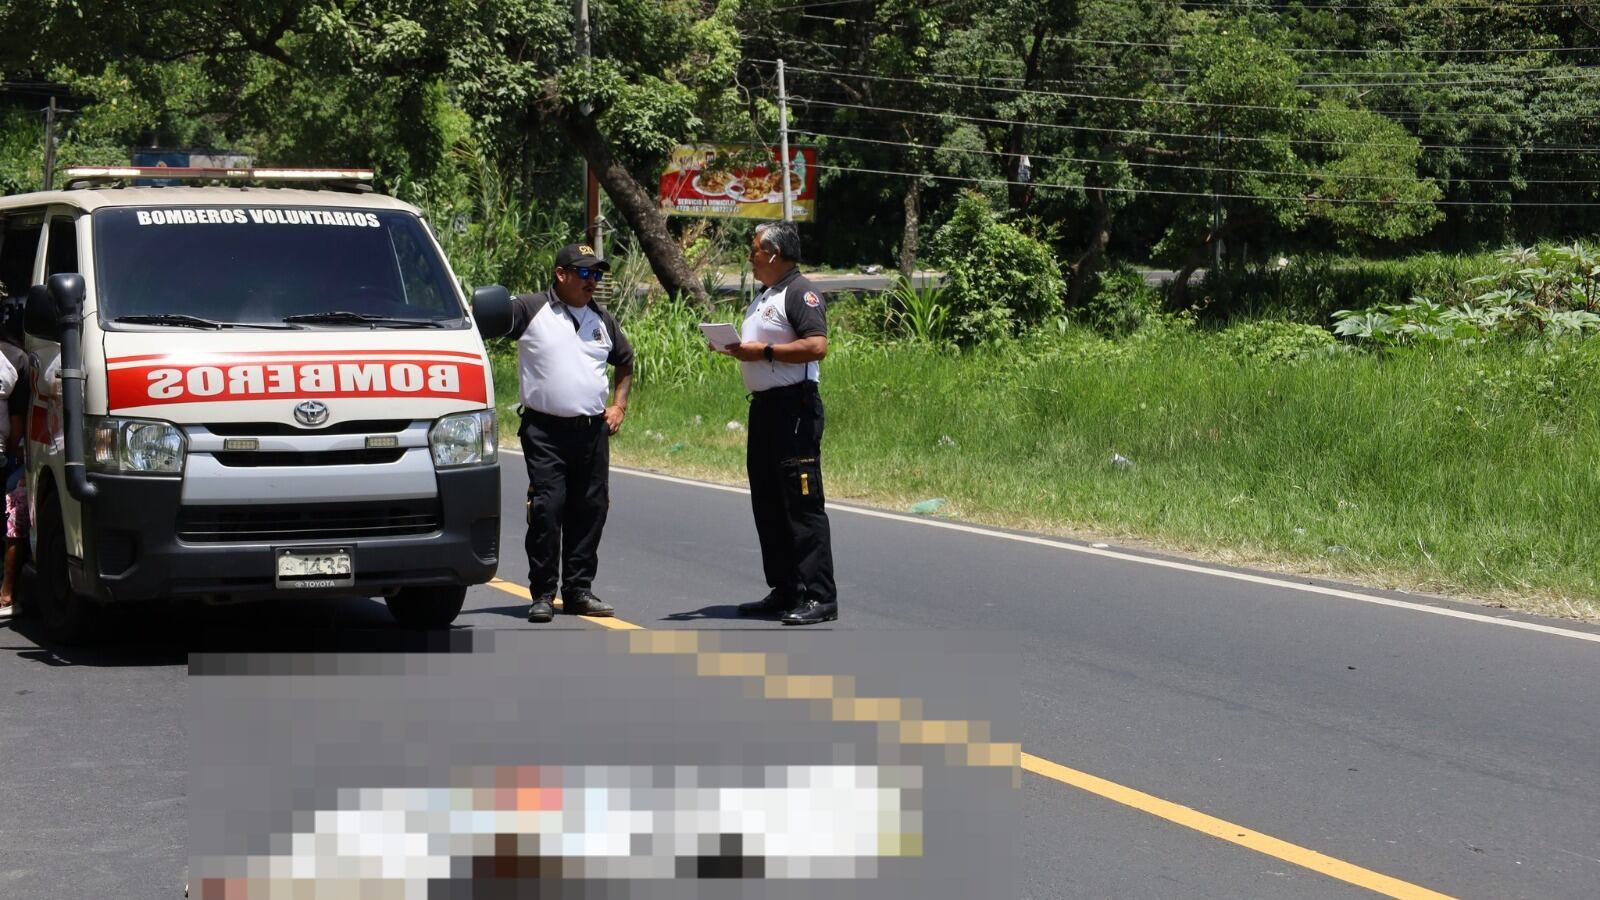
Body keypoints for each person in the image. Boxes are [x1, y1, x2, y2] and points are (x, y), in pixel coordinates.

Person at [490, 243, 633, 623]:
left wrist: (619, 405)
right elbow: (485, 324)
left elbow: (626, 362)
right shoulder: (531, 309)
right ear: (561, 274)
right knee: (548, 508)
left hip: (591, 432)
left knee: (591, 509)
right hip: (544, 431)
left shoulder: (602, 319)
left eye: (597, 275)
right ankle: (542, 593)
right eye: (585, 273)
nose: (592, 282)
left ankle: (578, 590)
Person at [716, 222, 838, 626]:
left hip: (794, 409)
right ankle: (786, 588)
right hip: (765, 409)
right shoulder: (765, 296)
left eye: (754, 250)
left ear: (773, 254)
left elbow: (816, 345)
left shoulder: (799, 292)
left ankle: (820, 596)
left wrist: (764, 351)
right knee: (767, 501)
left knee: (801, 502)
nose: (750, 257)